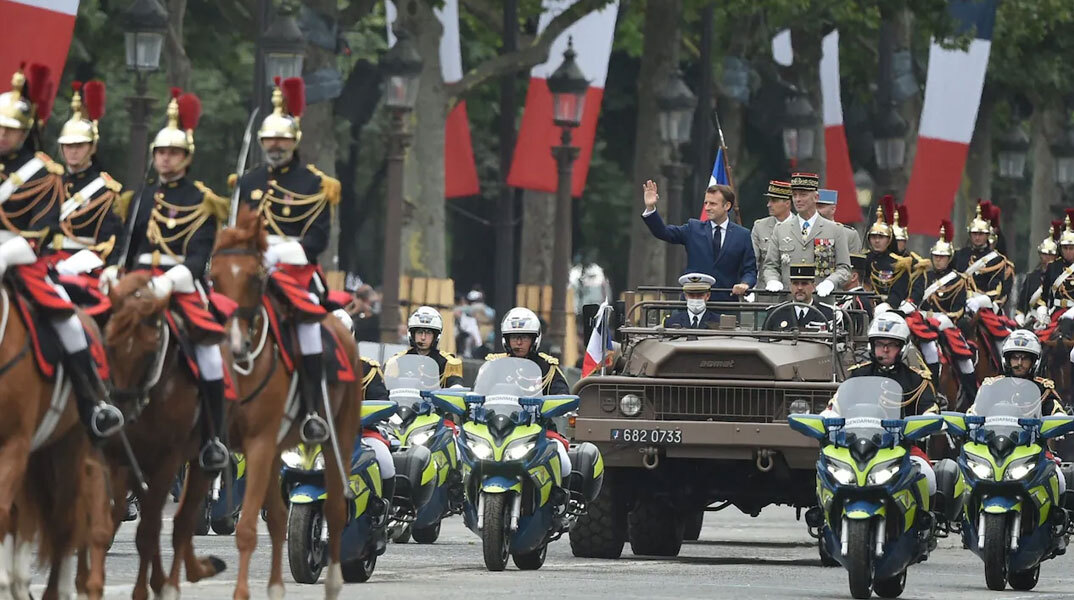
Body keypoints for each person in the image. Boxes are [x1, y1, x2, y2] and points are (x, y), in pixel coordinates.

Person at [0, 65, 124, 441]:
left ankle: (92, 403)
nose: (2, 135)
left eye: (9, 130)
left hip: (22, 259)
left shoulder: (44, 175)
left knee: (67, 321)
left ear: (25, 132)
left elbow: (40, 233)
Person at [116, 87, 233, 470]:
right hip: (138, 284)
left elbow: (199, 259)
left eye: (173, 153)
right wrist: (117, 276)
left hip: (180, 286)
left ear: (186, 157)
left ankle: (214, 438)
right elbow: (128, 249)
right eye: (160, 153)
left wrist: (168, 282)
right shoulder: (141, 198)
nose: (165, 159)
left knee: (209, 355)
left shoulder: (203, 201)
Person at [235, 77, 343, 445]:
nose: (274, 146)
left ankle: (312, 409)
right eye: (269, 140)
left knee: (310, 328)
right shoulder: (248, 180)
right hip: (251, 269)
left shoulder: (314, 184)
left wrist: (276, 253)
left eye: (281, 140)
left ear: (293, 141)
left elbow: (317, 240)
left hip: (295, 271)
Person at [839, 313, 938, 494]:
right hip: (856, 447)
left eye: (891, 345)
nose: (884, 350)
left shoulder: (915, 379)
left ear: (902, 347)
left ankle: (925, 520)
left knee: (928, 477)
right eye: (879, 344)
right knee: (828, 471)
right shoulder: (858, 375)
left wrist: (928, 420)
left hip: (902, 447)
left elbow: (929, 408)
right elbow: (836, 406)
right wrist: (828, 416)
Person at [485, 307, 571, 477]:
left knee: (563, 460)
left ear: (535, 339)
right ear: (505, 340)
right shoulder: (493, 365)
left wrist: (560, 403)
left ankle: (561, 500)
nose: (518, 343)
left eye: (524, 337)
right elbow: (478, 393)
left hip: (539, 429)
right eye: (514, 337)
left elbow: (562, 393)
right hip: (497, 429)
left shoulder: (547, 366)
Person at [904, 221, 978, 410]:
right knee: (927, 346)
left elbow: (960, 309)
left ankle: (973, 398)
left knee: (964, 359)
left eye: (942, 257)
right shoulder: (923, 276)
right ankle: (933, 389)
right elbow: (914, 298)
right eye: (936, 257)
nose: (938, 260)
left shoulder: (960, 281)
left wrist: (943, 318)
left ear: (949, 258)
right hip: (922, 321)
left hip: (946, 322)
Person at [641, 181, 756, 301]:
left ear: (727, 206)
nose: (707, 208)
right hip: (692, 301)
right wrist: (650, 208)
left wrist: (745, 284)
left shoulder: (742, 235)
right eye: (706, 203)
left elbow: (750, 270)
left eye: (712, 204)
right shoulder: (693, 228)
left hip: (725, 305)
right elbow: (663, 232)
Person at [54, 80, 126, 267]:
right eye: (68, 146)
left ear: (92, 147)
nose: (73, 151)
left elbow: (109, 240)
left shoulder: (105, 191)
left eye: (79, 146)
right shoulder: (50, 182)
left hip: (84, 263)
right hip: (46, 258)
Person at [762, 172, 850, 295]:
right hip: (788, 301)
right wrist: (772, 280)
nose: (797, 199)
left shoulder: (835, 229)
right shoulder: (781, 229)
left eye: (803, 195)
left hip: (821, 301)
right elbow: (770, 266)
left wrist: (830, 282)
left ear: (816, 197)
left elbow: (844, 268)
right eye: (794, 195)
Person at [954, 202, 1015, 311]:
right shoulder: (959, 255)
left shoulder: (997, 260)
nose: (977, 238)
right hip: (957, 305)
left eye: (981, 234)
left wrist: (979, 301)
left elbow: (996, 289)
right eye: (974, 234)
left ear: (987, 235)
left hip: (982, 306)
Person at [386, 306, 464, 387]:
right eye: (419, 332)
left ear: (435, 336)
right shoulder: (398, 360)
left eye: (428, 333)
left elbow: (455, 383)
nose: (423, 337)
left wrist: (456, 386)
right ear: (412, 334)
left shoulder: (446, 362)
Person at [993, 330, 1066, 416]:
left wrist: (1059, 416)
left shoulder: (1043, 389)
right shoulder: (993, 387)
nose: (1019, 363)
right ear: (1007, 360)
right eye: (1015, 358)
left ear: (1034, 362)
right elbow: (976, 411)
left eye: (1025, 358)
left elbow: (1057, 414)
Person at [863, 199, 915, 308]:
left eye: (881, 237)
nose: (876, 241)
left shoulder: (899, 263)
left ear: (889, 239)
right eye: (873, 237)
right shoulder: (863, 259)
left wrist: (887, 305)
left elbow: (898, 293)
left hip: (888, 308)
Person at [765, 264, 839, 331]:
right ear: (790, 286)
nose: (800, 288)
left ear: (813, 286)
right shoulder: (776, 313)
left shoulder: (827, 314)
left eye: (804, 283)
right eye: (795, 283)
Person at [751, 180, 794, 287]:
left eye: (774, 201)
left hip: (793, 291)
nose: (768, 205)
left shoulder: (800, 226)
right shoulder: (760, 226)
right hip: (765, 293)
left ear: (787, 203)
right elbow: (753, 262)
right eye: (769, 200)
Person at [1018, 221, 1060, 327]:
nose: (1048, 258)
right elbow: (1022, 304)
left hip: (1052, 318)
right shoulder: (1031, 277)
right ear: (1040, 255)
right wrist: (1020, 317)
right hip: (1031, 319)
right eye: (1045, 254)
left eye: (1051, 255)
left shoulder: (1060, 277)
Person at [816, 188, 862, 255]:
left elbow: (855, 263)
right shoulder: (805, 232)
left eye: (820, 207)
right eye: (813, 207)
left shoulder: (849, 234)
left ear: (833, 209)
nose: (816, 211)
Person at [839, 253, 873, 335]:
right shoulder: (852, 298)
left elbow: (856, 333)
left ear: (853, 277)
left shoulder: (856, 301)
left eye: (842, 274)